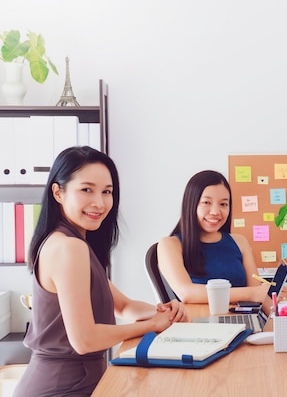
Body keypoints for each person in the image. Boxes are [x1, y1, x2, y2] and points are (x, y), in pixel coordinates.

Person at [13, 146, 187, 397]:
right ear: (58, 192)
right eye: (86, 190)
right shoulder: (68, 247)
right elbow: (85, 340)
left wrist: (163, 311)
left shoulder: (72, 242)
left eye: (107, 192)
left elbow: (124, 306)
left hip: (78, 382)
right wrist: (153, 325)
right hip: (60, 388)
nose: (100, 202)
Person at [158, 170, 287, 305]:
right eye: (206, 202)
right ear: (191, 204)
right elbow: (187, 293)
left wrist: (272, 298)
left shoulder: (239, 242)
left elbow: (256, 299)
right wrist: (253, 293)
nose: (215, 212)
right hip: (196, 323)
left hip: (241, 321)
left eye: (223, 204)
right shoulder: (169, 245)